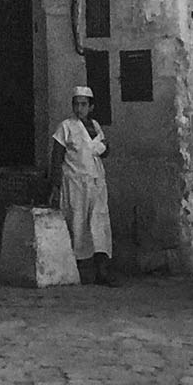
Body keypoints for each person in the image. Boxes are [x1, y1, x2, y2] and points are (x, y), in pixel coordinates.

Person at [49, 83, 115, 285]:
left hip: (95, 183)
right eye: (77, 104)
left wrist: (104, 147)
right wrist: (55, 184)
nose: (80, 109)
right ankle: (79, 272)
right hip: (75, 184)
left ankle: (101, 273)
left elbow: (105, 150)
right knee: (77, 225)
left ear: (91, 107)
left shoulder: (95, 127)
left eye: (84, 104)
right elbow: (57, 157)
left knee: (99, 225)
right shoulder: (66, 127)